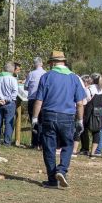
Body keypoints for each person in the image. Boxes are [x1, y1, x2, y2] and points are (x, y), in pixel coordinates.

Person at [30, 51, 87, 189]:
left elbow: (39, 100)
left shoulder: (46, 76)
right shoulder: (74, 78)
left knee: (49, 146)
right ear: (64, 62)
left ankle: (51, 180)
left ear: (52, 63)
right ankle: (61, 170)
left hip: (49, 114)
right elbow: (80, 103)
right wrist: (80, 120)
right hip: (67, 116)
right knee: (68, 144)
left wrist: (35, 118)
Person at [0, 63, 18, 146]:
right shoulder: (12, 79)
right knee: (9, 123)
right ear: (12, 70)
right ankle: (7, 142)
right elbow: (15, 92)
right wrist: (6, 100)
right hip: (9, 103)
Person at [24, 57, 46, 150]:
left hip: (32, 100)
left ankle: (34, 143)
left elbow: (25, 87)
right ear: (42, 63)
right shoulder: (46, 74)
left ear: (34, 64)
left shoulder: (31, 74)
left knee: (33, 121)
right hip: (44, 100)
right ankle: (41, 143)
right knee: (42, 122)